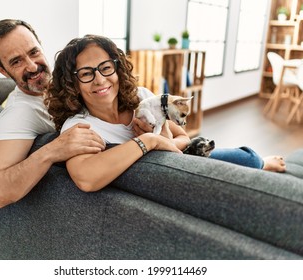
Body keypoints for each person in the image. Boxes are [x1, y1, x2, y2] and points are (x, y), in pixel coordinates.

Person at [45, 34, 286, 193]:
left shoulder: (142, 97)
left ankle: (261, 163)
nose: (100, 79)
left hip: (177, 163)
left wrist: (163, 137)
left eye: (106, 68)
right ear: (73, 83)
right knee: (250, 158)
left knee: (247, 157)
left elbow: (184, 139)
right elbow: (86, 178)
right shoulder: (79, 126)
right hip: (167, 182)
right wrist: (148, 141)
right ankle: (262, 163)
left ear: (117, 68)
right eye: (86, 73)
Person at [0, 20, 106, 211]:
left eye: (34, 52)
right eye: (16, 62)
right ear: (2, 71)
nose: (32, 66)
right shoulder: (19, 113)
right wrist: (52, 150)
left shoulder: (65, 77)